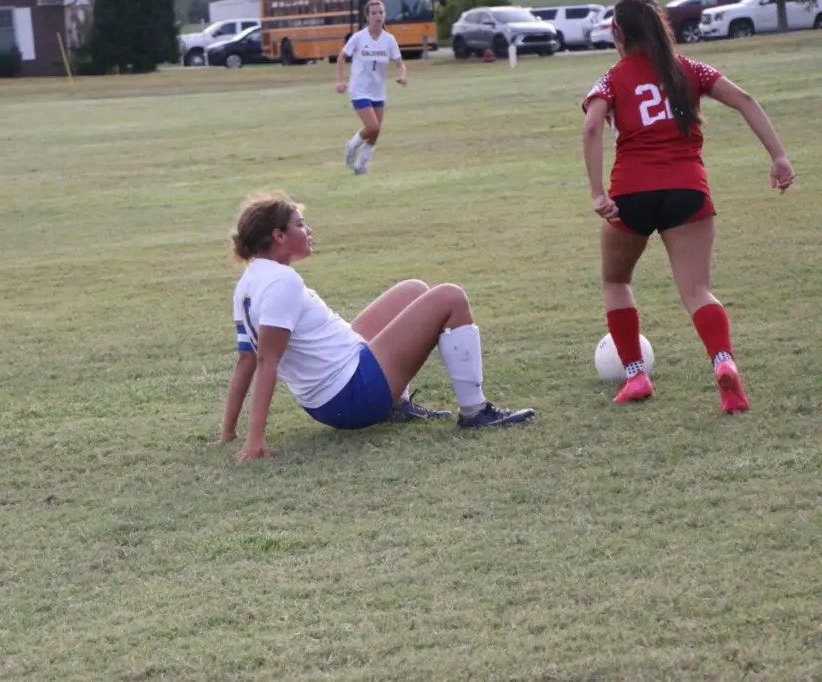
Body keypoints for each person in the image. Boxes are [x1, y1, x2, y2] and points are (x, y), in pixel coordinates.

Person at [581, 0, 795, 414]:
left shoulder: (611, 78)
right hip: (687, 189)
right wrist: (779, 157)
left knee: (616, 281)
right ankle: (723, 363)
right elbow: (745, 99)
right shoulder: (690, 69)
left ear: (618, 34)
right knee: (697, 291)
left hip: (631, 194)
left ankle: (636, 375)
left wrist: (596, 192)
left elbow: (592, 127)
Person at [220, 191, 535, 462]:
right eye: (300, 224)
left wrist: (229, 431)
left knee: (413, 290)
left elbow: (246, 359)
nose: (309, 230)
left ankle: (397, 405)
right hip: (350, 396)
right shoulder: (281, 281)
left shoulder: (249, 282)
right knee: (450, 297)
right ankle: (475, 411)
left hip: (337, 389)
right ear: (278, 236)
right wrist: (255, 440)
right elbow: (266, 361)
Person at [334, 0, 407, 175]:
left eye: (380, 12)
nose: (378, 16)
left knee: (375, 132)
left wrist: (403, 75)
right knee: (372, 127)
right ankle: (351, 146)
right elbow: (341, 57)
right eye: (374, 13)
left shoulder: (389, 39)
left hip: (378, 91)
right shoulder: (359, 37)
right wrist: (340, 81)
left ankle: (361, 165)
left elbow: (399, 64)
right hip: (359, 89)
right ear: (367, 16)